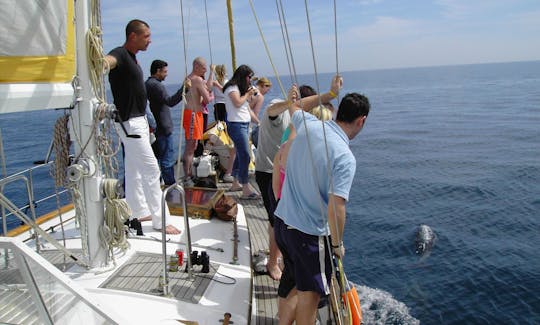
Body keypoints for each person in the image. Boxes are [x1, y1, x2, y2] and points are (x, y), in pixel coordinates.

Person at [273, 76, 371, 324]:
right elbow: (336, 207)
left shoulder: (308, 125)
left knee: (293, 282)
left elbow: (296, 106)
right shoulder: (345, 156)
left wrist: (329, 93)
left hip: (283, 224)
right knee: (311, 296)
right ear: (362, 121)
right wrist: (337, 245)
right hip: (308, 236)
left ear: (338, 111)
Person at [104, 19, 180, 234]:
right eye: (146, 36)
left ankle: (137, 210)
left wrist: (146, 123)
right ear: (133, 36)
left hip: (137, 122)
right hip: (131, 124)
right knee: (151, 169)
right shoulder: (119, 54)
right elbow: (108, 61)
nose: (150, 40)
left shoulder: (132, 58)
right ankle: (160, 221)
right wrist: (100, 63)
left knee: (134, 170)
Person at [254, 97, 290, 280]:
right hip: (268, 172)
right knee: (276, 221)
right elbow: (271, 111)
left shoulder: (295, 117)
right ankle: (272, 263)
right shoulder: (277, 111)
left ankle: (277, 257)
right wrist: (290, 103)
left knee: (276, 219)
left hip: (279, 172)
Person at [145, 59, 185, 185]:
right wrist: (184, 89)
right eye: (165, 71)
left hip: (157, 128)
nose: (167, 74)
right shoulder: (156, 85)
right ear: (158, 71)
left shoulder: (148, 84)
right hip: (163, 128)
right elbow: (170, 101)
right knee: (167, 159)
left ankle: (160, 183)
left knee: (159, 158)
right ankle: (171, 185)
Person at [223, 64, 260, 198]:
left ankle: (235, 183)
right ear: (244, 76)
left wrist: (251, 95)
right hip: (236, 125)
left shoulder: (239, 89)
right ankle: (246, 189)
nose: (250, 80)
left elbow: (246, 107)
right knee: (245, 155)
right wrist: (248, 94)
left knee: (240, 154)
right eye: (249, 77)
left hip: (244, 124)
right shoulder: (231, 89)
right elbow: (237, 103)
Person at [183, 57, 215, 185]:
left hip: (193, 114)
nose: (205, 69)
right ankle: (187, 176)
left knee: (193, 145)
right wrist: (211, 95)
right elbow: (207, 99)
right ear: (196, 67)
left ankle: (189, 174)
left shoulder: (188, 79)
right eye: (203, 67)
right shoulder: (196, 80)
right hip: (193, 115)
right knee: (191, 147)